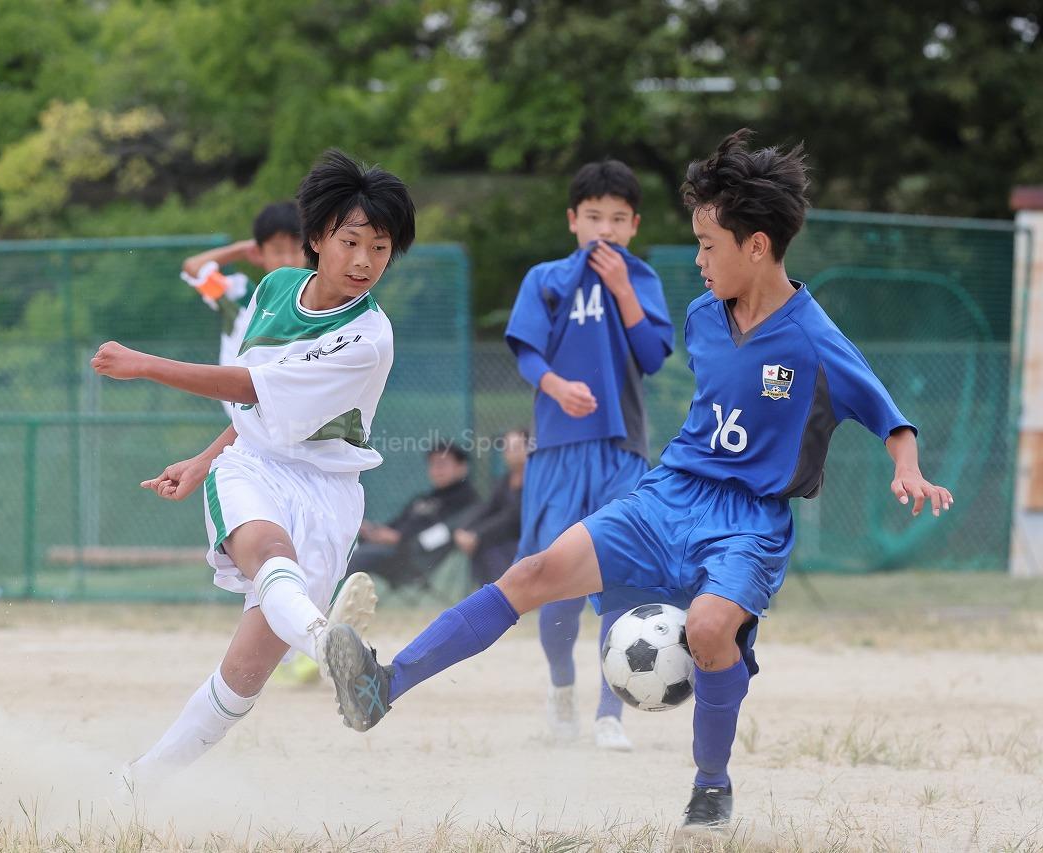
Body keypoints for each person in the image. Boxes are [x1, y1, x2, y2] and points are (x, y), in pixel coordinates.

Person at [321, 130, 953, 832]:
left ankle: (711, 786)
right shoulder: (704, 317)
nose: (699, 260)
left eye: (709, 246)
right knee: (535, 570)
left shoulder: (813, 338)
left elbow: (888, 414)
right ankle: (383, 686)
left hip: (749, 520)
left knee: (710, 628)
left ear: (757, 246)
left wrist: (908, 465)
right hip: (669, 493)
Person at [91, 149, 415, 780]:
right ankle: (329, 646)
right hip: (254, 465)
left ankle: (139, 781)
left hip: (330, 493)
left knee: (245, 673)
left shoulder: (369, 337)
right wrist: (204, 460)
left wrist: (146, 365)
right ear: (317, 238)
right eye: (351, 241)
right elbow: (255, 410)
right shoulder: (270, 288)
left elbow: (249, 386)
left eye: (380, 248)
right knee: (269, 552)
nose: (363, 261)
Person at [506, 159, 674, 751]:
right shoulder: (546, 278)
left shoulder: (642, 280)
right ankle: (561, 690)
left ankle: (611, 714)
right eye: (594, 216)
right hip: (555, 452)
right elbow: (526, 353)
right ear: (573, 220)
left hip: (621, 452)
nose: (606, 227)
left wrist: (625, 290)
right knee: (556, 585)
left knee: (623, 583)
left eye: (619, 218)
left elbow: (654, 355)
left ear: (633, 225)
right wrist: (555, 386)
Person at [180, 202, 306, 416]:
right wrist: (242, 249)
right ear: (259, 253)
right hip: (242, 419)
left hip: (288, 417)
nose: (287, 259)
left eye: (296, 249)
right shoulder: (240, 295)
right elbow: (193, 268)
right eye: (277, 250)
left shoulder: (317, 303)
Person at [351, 439, 481, 589]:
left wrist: (398, 538)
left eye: (442, 464)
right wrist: (374, 531)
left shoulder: (466, 502)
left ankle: (332, 604)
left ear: (461, 467)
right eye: (432, 464)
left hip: (411, 561)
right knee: (349, 546)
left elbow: (440, 534)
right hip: (389, 551)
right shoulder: (424, 498)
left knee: (359, 556)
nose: (436, 470)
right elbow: (395, 525)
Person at [453, 429, 528, 587]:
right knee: (481, 547)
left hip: (525, 541)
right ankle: (489, 595)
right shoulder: (505, 480)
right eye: (506, 447)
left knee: (488, 548)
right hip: (500, 537)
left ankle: (501, 594)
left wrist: (477, 534)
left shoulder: (534, 480)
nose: (509, 452)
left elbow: (512, 518)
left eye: (515, 446)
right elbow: (488, 508)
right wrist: (465, 529)